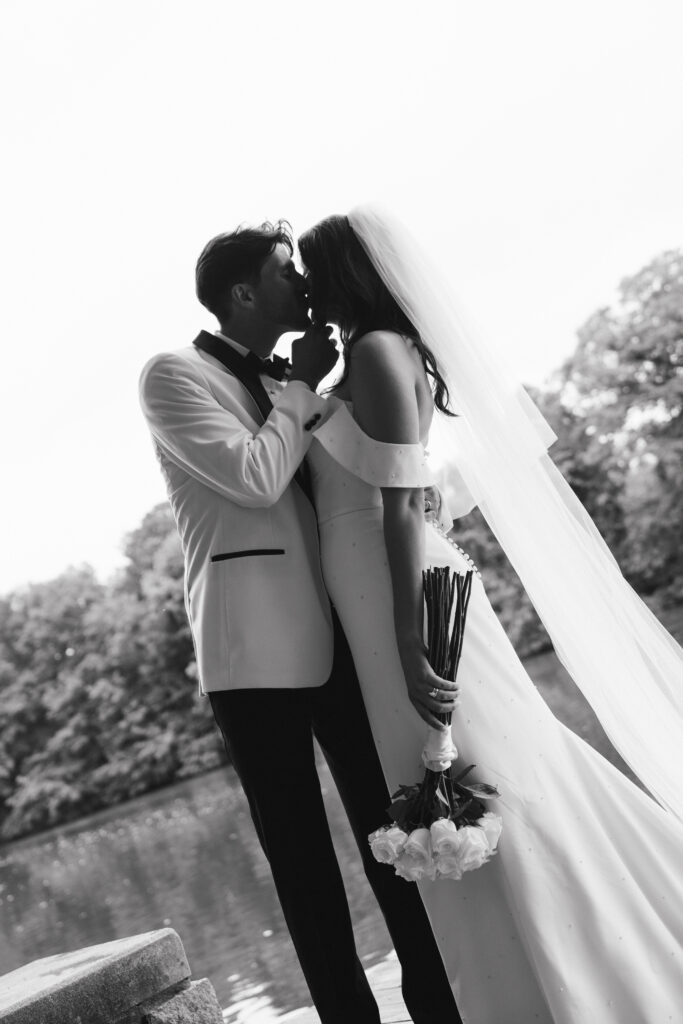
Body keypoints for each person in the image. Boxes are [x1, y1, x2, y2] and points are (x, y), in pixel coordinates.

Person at [298, 207, 683, 1023]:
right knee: (476, 769)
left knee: (497, 768)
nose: (303, 287)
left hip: (401, 598)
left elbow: (402, 506)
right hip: (373, 600)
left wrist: (408, 637)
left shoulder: (373, 349)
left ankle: (577, 974)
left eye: (310, 270)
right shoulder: (376, 352)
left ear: (343, 274)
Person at [138, 221, 463, 1024]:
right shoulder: (171, 375)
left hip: (342, 635)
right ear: (244, 293)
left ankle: (437, 1005)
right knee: (304, 872)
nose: (304, 283)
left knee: (391, 836)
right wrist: (299, 392)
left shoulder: (301, 380)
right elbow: (252, 478)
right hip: (250, 655)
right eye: (288, 272)